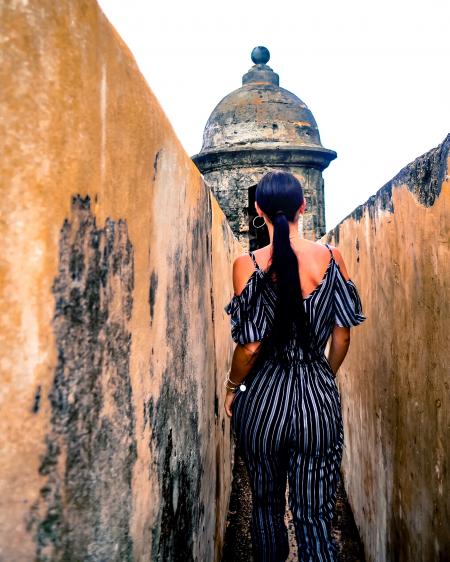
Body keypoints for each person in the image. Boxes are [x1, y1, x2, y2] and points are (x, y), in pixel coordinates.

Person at [223, 170, 366, 562]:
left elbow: (249, 348)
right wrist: (322, 375)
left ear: (258, 210)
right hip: (316, 400)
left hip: (263, 400)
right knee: (315, 518)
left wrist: (232, 387)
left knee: (266, 510)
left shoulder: (245, 264)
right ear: (304, 207)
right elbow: (343, 336)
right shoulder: (331, 258)